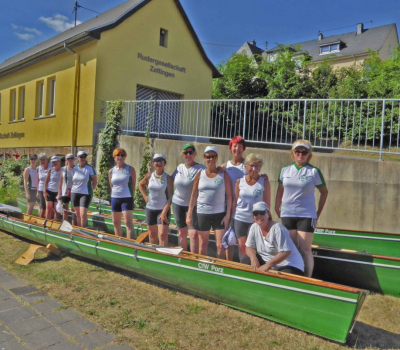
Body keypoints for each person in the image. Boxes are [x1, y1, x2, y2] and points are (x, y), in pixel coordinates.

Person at [275, 140, 328, 277]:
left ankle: (308, 277)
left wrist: (317, 213)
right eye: (297, 151)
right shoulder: (285, 170)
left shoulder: (314, 172)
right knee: (290, 248)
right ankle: (293, 275)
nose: (300, 154)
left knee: (305, 249)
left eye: (304, 152)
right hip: (287, 214)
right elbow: (280, 189)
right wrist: (276, 206)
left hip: (306, 215)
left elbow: (324, 192)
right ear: (293, 153)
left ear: (309, 154)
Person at [187, 146, 232, 258]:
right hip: (203, 213)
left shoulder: (223, 175)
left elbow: (229, 197)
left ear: (216, 158)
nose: (210, 159)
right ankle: (203, 266)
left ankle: (219, 269)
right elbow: (193, 195)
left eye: (213, 156)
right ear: (204, 158)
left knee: (221, 245)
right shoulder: (199, 174)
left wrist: (227, 215)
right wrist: (189, 213)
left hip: (219, 214)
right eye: (208, 157)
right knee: (203, 243)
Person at [246, 202, 304, 276]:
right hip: (271, 265)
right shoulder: (253, 227)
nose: (259, 216)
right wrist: (253, 257)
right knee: (246, 259)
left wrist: (267, 265)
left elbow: (285, 252)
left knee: (284, 275)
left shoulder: (278, 228)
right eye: (255, 213)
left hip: (290, 265)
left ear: (268, 214)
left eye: (262, 212)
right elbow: (249, 247)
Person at [231, 153, 270, 263]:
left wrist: (268, 220)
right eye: (251, 166)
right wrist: (230, 219)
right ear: (246, 166)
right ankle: (244, 269)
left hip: (257, 220)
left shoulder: (264, 182)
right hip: (240, 218)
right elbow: (235, 201)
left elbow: (267, 204)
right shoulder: (239, 181)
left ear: (260, 168)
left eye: (257, 166)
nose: (254, 169)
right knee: (242, 247)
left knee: (255, 248)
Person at [171, 143, 206, 252]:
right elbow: (169, 180)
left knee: (193, 234)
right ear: (183, 155)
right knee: (181, 232)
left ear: (194, 154)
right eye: (186, 153)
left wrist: (221, 167)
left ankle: (194, 258)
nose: (188, 155)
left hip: (193, 205)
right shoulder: (179, 168)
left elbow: (212, 172)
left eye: (191, 152)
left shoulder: (201, 168)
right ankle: (182, 256)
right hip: (177, 203)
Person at [139, 154, 173, 247]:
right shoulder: (149, 176)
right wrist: (145, 196)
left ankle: (163, 255)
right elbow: (140, 184)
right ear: (153, 163)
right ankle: (153, 252)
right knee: (152, 234)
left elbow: (170, 197)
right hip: (150, 209)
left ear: (164, 163)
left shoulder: (168, 178)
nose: (158, 163)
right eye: (156, 161)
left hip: (163, 209)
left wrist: (164, 213)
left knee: (162, 235)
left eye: (161, 161)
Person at [108, 148, 136, 239]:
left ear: (125, 157)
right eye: (118, 155)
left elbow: (133, 185)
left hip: (127, 198)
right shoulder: (111, 171)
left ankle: (130, 243)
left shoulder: (130, 169)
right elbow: (111, 185)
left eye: (122, 155)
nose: (120, 157)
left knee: (128, 222)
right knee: (116, 223)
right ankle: (118, 242)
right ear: (114, 157)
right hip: (115, 198)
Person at [71, 151, 97, 227]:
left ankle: (84, 229)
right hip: (75, 192)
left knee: (83, 213)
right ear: (77, 158)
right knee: (77, 213)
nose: (82, 158)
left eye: (84, 157)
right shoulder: (75, 169)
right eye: (81, 157)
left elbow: (95, 181)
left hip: (86, 193)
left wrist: (92, 190)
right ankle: (79, 230)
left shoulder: (90, 168)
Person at [57, 153, 75, 223]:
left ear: (74, 159)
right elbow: (60, 183)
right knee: (65, 210)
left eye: (71, 158)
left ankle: (74, 225)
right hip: (65, 192)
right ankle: (65, 224)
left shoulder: (77, 168)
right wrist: (59, 193)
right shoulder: (63, 169)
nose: (70, 160)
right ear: (66, 160)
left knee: (74, 210)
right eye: (68, 158)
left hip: (74, 192)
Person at [44, 156, 62, 220]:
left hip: (58, 192)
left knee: (56, 210)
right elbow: (46, 181)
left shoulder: (63, 170)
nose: (54, 163)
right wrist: (44, 192)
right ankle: (47, 223)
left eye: (55, 162)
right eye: (53, 162)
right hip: (49, 191)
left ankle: (55, 224)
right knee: (49, 209)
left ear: (59, 162)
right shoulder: (50, 170)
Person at [36, 153, 51, 218]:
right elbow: (38, 180)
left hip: (50, 189)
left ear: (47, 160)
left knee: (50, 207)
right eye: (41, 160)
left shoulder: (51, 167)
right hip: (41, 189)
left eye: (43, 159)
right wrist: (37, 191)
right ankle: (41, 219)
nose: (42, 161)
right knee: (42, 206)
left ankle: (49, 220)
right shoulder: (38, 168)